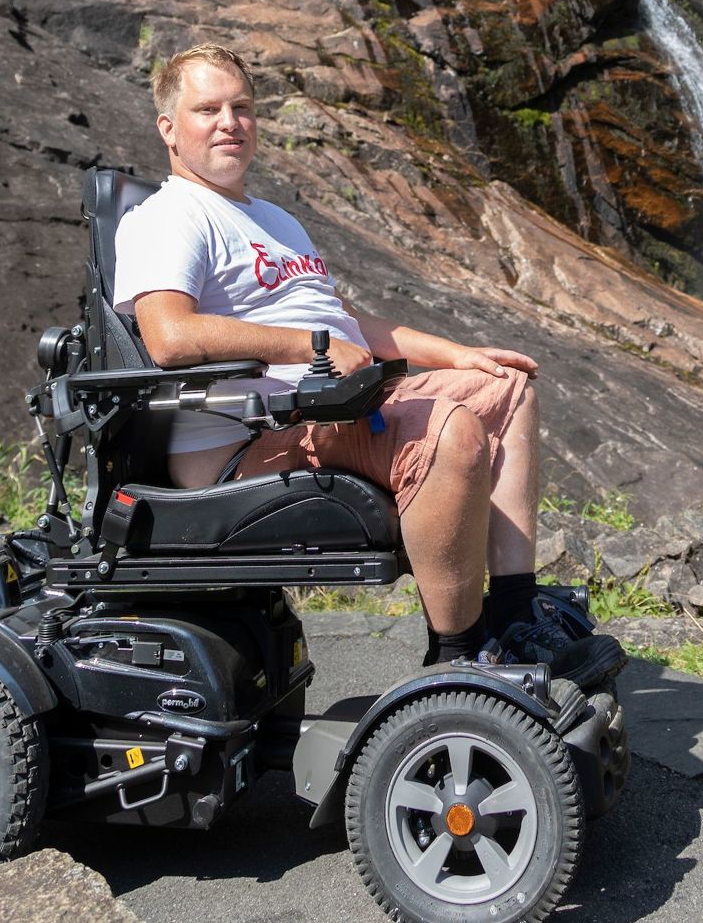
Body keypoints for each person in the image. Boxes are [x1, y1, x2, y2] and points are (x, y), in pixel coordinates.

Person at [113, 41, 612, 676]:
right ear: (169, 128)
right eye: (207, 109)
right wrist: (311, 347)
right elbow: (169, 337)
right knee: (449, 432)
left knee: (507, 387)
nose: (229, 122)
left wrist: (457, 355)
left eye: (242, 107)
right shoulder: (170, 217)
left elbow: (344, 323)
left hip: (329, 408)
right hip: (252, 442)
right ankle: (459, 656)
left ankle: (514, 613)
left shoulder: (273, 220)